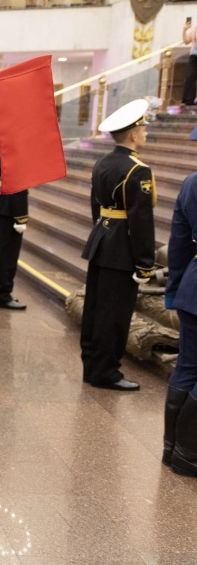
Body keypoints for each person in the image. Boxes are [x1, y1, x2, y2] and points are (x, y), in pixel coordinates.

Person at [80, 99, 156, 391]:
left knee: (95, 309)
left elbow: (95, 206)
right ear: (134, 134)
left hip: (102, 240)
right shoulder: (137, 170)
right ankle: (106, 372)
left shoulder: (103, 162)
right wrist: (145, 262)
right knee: (115, 315)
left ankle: (92, 366)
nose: (146, 133)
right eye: (143, 129)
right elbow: (140, 221)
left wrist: (102, 233)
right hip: (122, 249)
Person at [164, 125, 197, 474]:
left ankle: (171, 447)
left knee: (187, 366)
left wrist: (173, 290)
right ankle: (189, 456)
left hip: (192, 284)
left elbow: (178, 242)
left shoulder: (191, 183)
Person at [0, 145, 28, 310]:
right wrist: (21, 216)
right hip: (11, 206)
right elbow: (19, 183)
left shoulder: (0, 146)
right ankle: (2, 294)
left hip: (2, 200)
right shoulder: (14, 150)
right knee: (7, 255)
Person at [183, 17, 197, 107]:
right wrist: (184, 30)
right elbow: (186, 41)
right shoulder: (194, 28)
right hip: (194, 56)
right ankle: (188, 100)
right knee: (190, 76)